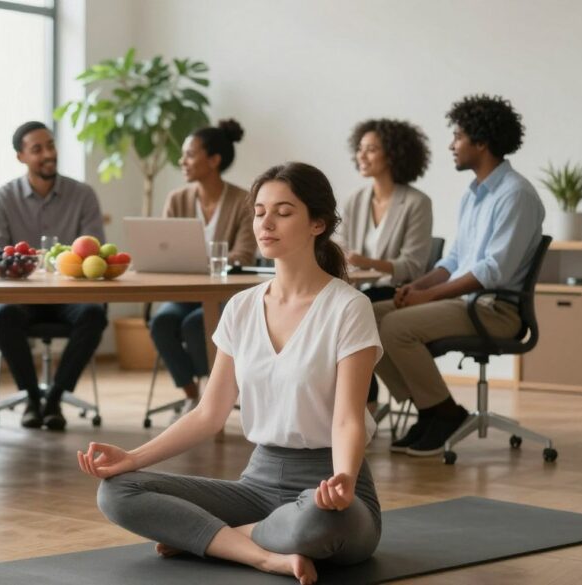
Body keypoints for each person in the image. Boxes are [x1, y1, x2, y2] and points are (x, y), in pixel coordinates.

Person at [80, 162, 383, 585]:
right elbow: (209, 414)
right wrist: (132, 459)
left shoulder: (349, 308)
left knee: (323, 524)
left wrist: (344, 480)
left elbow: (349, 418)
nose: (266, 223)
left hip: (326, 490)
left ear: (318, 223)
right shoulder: (241, 308)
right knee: (117, 491)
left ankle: (214, 539)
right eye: (259, 212)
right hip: (257, 484)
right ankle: (261, 556)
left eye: (283, 211)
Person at [374, 95, 544, 457]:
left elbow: (493, 270)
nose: (451, 145)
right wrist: (415, 286)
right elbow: (454, 259)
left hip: (495, 309)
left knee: (395, 327)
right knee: (368, 317)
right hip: (466, 301)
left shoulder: (515, 195)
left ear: (481, 142)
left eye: (458, 136)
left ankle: (445, 414)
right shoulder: (473, 195)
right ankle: (428, 408)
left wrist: (429, 297)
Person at [0, 121, 107, 431]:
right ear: (21, 157)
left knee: (94, 314)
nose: (48, 154)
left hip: (70, 296)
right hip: (20, 296)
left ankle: (55, 398)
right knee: (4, 314)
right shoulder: (3, 198)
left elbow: (93, 253)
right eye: (37, 149)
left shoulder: (83, 195)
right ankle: (32, 397)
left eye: (51, 146)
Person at [150, 119, 255, 413]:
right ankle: (192, 395)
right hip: (185, 292)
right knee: (162, 323)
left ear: (214, 160)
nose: (182, 161)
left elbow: (244, 254)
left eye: (190, 154)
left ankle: (215, 396)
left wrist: (197, 261)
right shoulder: (177, 199)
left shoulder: (243, 200)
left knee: (197, 324)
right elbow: (165, 249)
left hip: (225, 296)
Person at [339, 119, 433, 412]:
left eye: (371, 150)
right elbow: (343, 250)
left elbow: (413, 266)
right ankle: (357, 403)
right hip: (358, 290)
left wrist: (366, 262)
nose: (362, 156)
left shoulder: (417, 202)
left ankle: (364, 403)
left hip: (395, 292)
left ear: (392, 154)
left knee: (352, 314)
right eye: (360, 149)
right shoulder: (356, 200)